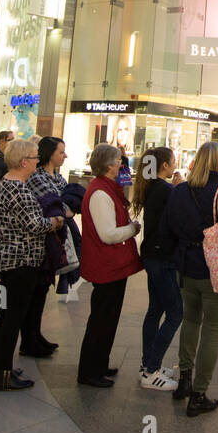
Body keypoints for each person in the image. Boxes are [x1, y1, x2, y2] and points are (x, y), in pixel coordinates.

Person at [159, 141, 218, 416]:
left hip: (186, 267)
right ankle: (199, 394)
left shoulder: (181, 190)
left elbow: (169, 225)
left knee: (190, 321)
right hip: (215, 270)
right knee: (212, 330)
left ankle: (184, 379)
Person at [0, 139, 63, 391]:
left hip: (8, 259)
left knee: (5, 314)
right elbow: (35, 224)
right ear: (23, 162)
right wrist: (54, 222)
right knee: (12, 318)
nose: (36, 162)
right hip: (21, 262)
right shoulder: (19, 189)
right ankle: (4, 373)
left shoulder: (7, 184)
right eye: (33, 158)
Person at [76, 143, 142, 388]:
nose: (121, 165)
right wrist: (132, 229)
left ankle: (99, 363)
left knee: (108, 318)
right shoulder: (100, 193)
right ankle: (90, 371)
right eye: (117, 161)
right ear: (108, 164)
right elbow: (108, 234)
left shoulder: (105, 190)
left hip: (112, 265)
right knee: (101, 320)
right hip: (106, 265)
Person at [133, 147, 180, 391]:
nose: (175, 164)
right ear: (164, 165)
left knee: (155, 310)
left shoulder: (152, 187)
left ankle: (147, 364)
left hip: (153, 255)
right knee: (175, 312)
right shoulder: (165, 189)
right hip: (162, 258)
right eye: (172, 161)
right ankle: (151, 369)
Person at [23, 137, 70, 356]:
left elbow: (66, 205)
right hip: (37, 241)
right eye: (61, 152)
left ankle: (35, 335)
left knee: (41, 290)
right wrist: (61, 211)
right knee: (31, 294)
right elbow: (60, 207)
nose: (64, 156)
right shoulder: (38, 178)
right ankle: (28, 339)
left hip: (52, 242)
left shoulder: (58, 178)